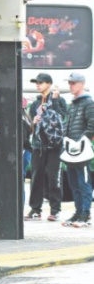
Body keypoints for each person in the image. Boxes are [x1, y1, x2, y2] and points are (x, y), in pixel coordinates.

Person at [26, 73, 67, 222]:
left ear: (49, 84)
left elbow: (62, 118)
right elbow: (30, 125)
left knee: (53, 176)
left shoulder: (59, 100)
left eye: (41, 82)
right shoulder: (35, 103)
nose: (38, 85)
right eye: (36, 82)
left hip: (54, 146)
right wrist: (34, 121)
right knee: (36, 177)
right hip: (38, 145)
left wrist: (55, 100)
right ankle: (35, 209)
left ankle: (55, 210)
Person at [61, 72, 94, 228]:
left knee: (83, 181)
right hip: (71, 149)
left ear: (82, 84)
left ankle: (85, 214)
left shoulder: (88, 102)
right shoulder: (73, 103)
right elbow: (68, 124)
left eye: (73, 83)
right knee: (73, 182)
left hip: (81, 149)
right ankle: (78, 211)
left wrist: (81, 141)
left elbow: (91, 126)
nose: (70, 85)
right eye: (69, 83)